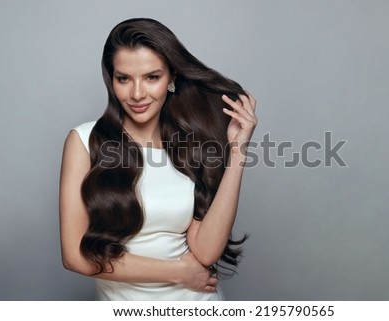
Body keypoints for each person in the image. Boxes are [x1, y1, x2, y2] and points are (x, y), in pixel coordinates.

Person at [59, 18, 257, 301]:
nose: (137, 93)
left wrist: (237, 153)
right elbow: (75, 255)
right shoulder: (84, 141)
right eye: (124, 78)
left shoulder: (190, 145)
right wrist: (176, 272)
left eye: (152, 77)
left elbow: (206, 251)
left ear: (171, 78)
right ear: (111, 78)